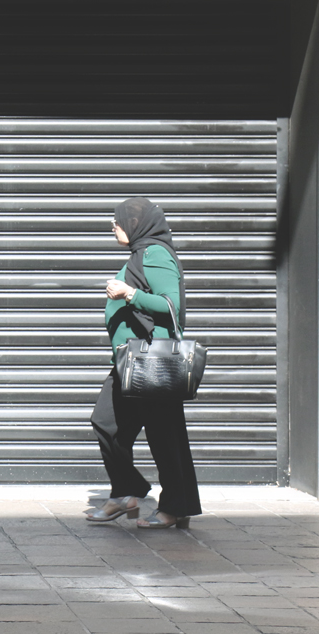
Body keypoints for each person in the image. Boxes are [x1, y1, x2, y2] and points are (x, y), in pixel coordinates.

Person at [86, 198, 202, 529]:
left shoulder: (154, 254)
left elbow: (171, 305)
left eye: (118, 221)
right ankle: (127, 493)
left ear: (136, 224)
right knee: (108, 424)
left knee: (164, 436)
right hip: (130, 361)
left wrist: (128, 294)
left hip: (150, 361)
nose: (114, 226)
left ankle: (173, 507)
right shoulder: (141, 255)